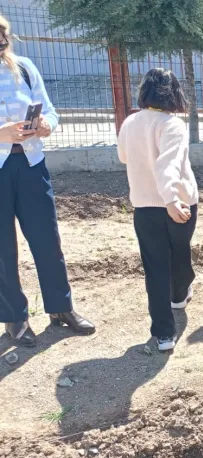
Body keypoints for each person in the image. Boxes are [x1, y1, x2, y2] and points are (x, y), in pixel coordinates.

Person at [0, 15, 95, 346]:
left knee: (47, 239)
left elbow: (52, 112)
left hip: (30, 163)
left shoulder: (24, 67)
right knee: (2, 248)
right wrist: (2, 133)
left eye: (2, 36)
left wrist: (44, 126)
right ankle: (14, 317)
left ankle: (60, 308)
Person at [118, 68, 197, 352]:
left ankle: (163, 334)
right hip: (179, 203)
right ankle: (180, 293)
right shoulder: (172, 124)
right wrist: (172, 199)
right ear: (174, 93)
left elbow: (123, 156)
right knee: (180, 251)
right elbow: (169, 164)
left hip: (144, 207)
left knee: (155, 268)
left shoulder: (130, 122)